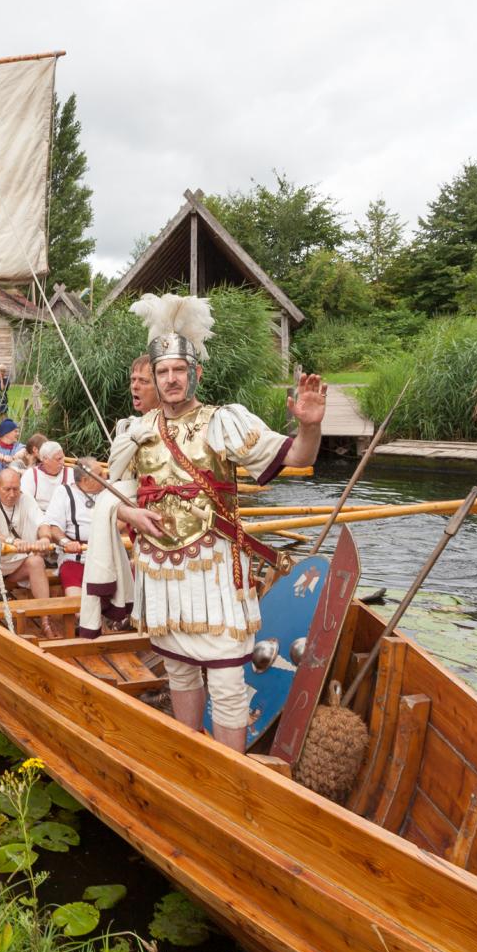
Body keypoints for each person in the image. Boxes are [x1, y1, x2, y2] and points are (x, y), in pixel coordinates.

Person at [110, 294, 327, 753]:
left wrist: (308, 427)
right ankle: (192, 758)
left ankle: (231, 772)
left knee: (227, 679)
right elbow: (116, 496)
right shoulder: (136, 430)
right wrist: (127, 512)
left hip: (213, 570)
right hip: (161, 570)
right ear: (155, 375)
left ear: (196, 374)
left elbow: (299, 457)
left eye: (179, 371)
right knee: (180, 671)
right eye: (163, 371)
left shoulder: (222, 422)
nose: (171, 379)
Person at [0, 467, 59, 635]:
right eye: (7, 489)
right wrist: (13, 541)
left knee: (37, 562)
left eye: (16, 489)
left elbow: (43, 523)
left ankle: (46, 619)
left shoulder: (27, 499)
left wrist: (45, 538)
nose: (12, 494)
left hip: (15, 560)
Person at [40, 461, 105, 605]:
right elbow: (53, 527)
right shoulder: (63, 492)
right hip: (74, 558)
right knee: (78, 608)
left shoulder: (108, 491)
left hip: (105, 558)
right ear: (85, 481)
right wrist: (66, 543)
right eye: (100, 475)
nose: (105, 477)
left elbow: (123, 519)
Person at [20, 440, 73, 514]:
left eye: (63, 458)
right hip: (38, 517)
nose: (63, 462)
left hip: (65, 517)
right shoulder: (31, 475)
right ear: (45, 459)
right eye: (58, 459)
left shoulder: (71, 473)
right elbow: (25, 503)